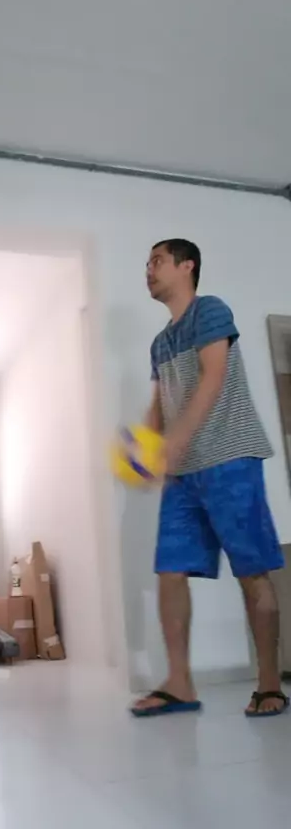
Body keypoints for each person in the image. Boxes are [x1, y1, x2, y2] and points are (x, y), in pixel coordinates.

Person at [132, 238, 288, 718]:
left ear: (187, 266)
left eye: (157, 261)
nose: (149, 269)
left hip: (231, 458)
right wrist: (146, 449)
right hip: (183, 475)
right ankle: (180, 683)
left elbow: (213, 377)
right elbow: (159, 405)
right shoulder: (160, 343)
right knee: (170, 571)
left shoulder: (210, 311)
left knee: (251, 571)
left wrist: (174, 442)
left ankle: (269, 684)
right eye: (147, 263)